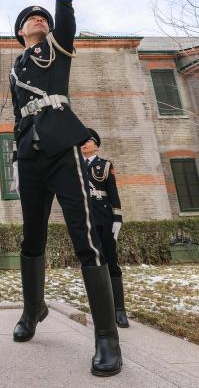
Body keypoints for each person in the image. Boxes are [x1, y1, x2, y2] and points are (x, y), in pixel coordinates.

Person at [8, 0, 122, 377]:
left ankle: (107, 339)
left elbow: (65, 10)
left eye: (43, 18)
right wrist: (16, 159)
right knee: (31, 238)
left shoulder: (57, 49)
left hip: (62, 151)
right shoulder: (16, 67)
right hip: (30, 156)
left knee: (85, 239)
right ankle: (32, 309)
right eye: (30, 18)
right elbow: (18, 117)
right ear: (20, 33)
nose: (39, 19)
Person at [79, 128, 128, 327]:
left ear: (96, 145)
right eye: (82, 141)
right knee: (93, 263)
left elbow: (113, 192)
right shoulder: (76, 166)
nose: (84, 144)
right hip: (86, 220)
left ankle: (119, 309)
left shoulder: (105, 165)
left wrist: (117, 218)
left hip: (104, 218)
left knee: (111, 261)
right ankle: (101, 308)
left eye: (88, 141)